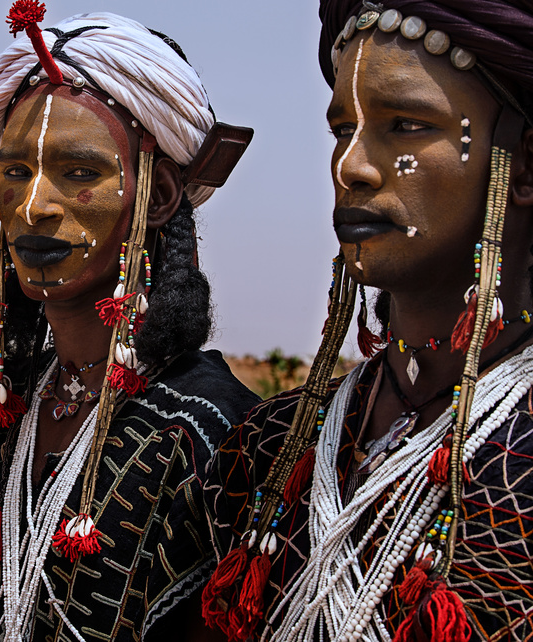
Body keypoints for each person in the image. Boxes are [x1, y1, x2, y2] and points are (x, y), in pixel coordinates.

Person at [202, 1, 533, 640]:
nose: (350, 166)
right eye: (341, 129)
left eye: (405, 125)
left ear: (523, 163)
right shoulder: (269, 447)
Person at [0, 2, 260, 640]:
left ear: (158, 196)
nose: (34, 206)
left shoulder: (214, 435)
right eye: (16, 172)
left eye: (79, 173)